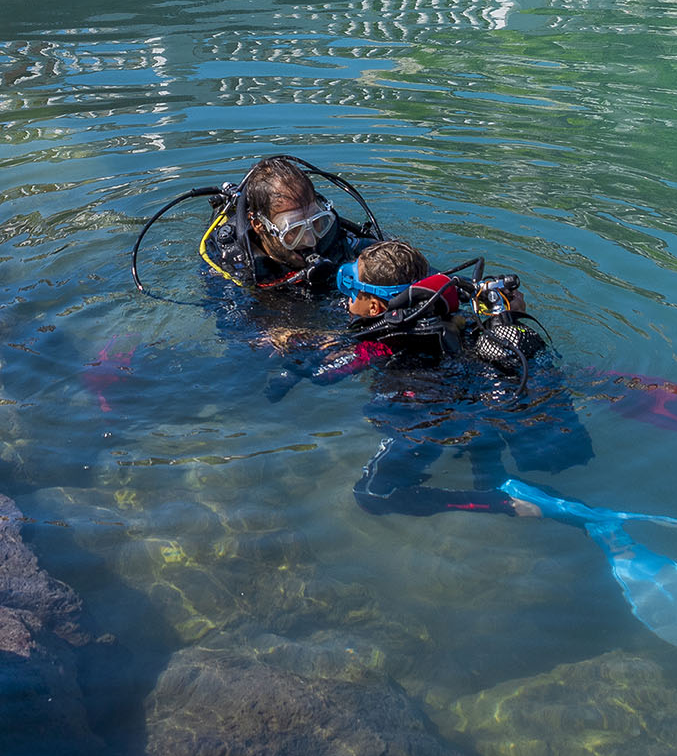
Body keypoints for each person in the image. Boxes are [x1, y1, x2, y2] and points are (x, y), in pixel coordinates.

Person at [318, 235, 594, 513]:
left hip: (432, 418)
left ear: (375, 308)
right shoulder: (457, 318)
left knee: (371, 496)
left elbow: (324, 374)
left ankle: (503, 504)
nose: (348, 299)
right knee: (477, 433)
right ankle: (500, 483)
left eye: (352, 290)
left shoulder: (376, 343)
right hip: (476, 400)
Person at [198, 153, 373, 302]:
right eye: (294, 230)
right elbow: (231, 326)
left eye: (317, 223)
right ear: (259, 225)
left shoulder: (336, 239)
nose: (311, 240)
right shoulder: (232, 261)